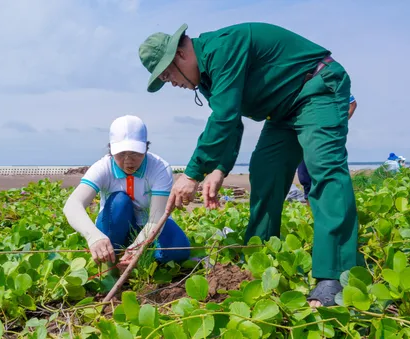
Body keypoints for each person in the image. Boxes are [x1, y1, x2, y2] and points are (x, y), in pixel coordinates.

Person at [138, 22, 362, 307]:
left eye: (167, 74)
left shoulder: (222, 49)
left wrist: (193, 174)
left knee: (324, 170)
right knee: (264, 171)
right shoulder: (206, 79)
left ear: (180, 55)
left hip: (316, 86)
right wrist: (219, 169)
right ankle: (260, 256)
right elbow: (230, 121)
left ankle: (335, 276)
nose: (171, 82)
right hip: (282, 110)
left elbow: (225, 117)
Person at [63, 115, 191, 275]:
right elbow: (73, 205)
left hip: (148, 226)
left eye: (135, 153)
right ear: (111, 150)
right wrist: (93, 236)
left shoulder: (159, 168)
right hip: (114, 226)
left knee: (180, 249)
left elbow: (156, 218)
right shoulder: (103, 167)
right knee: (120, 201)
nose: (128, 161)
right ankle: (113, 257)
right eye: (121, 153)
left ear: (146, 148)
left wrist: (138, 247)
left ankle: (138, 260)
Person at [298, 95, 358, 204]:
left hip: (326, 137)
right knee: (304, 176)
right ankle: (310, 212)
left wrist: (339, 124)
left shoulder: (330, 82)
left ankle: (337, 207)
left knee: (331, 175)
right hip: (304, 136)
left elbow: (352, 103)